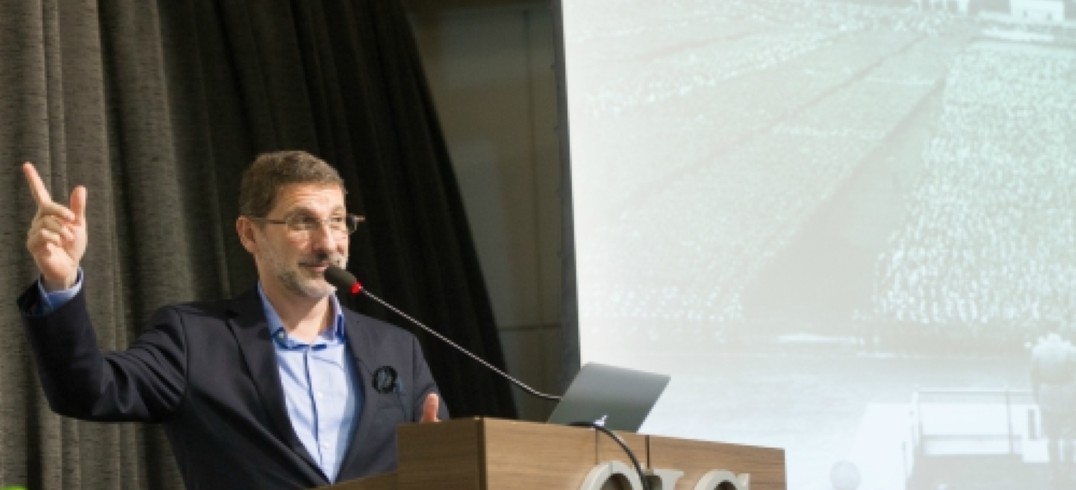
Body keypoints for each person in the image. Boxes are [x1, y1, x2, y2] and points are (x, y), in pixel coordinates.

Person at [17, 151, 447, 489]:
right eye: (303, 222)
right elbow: (87, 391)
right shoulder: (194, 340)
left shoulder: (396, 348)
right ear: (249, 234)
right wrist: (61, 282)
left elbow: (447, 466)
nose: (328, 243)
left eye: (339, 221)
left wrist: (443, 468)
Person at [1030, 332, 1076, 485]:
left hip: (1047, 396)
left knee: (1052, 437)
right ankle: (1069, 473)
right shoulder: (1070, 350)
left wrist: (1037, 396)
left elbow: (1034, 377)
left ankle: (1054, 472)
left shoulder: (1038, 350)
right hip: (1068, 397)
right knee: (1068, 437)